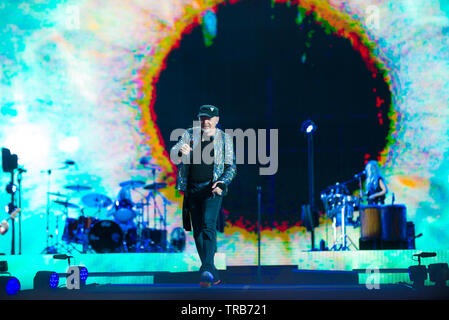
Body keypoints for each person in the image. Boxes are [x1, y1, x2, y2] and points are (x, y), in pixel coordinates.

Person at [171, 105, 236, 286]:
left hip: (212, 190)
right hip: (192, 189)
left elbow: (231, 167)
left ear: (216, 120)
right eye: (202, 118)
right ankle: (211, 271)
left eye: (209, 118)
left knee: (209, 225)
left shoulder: (224, 139)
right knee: (198, 231)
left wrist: (222, 183)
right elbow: (174, 154)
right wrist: (179, 152)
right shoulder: (189, 134)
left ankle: (206, 269)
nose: (205, 122)